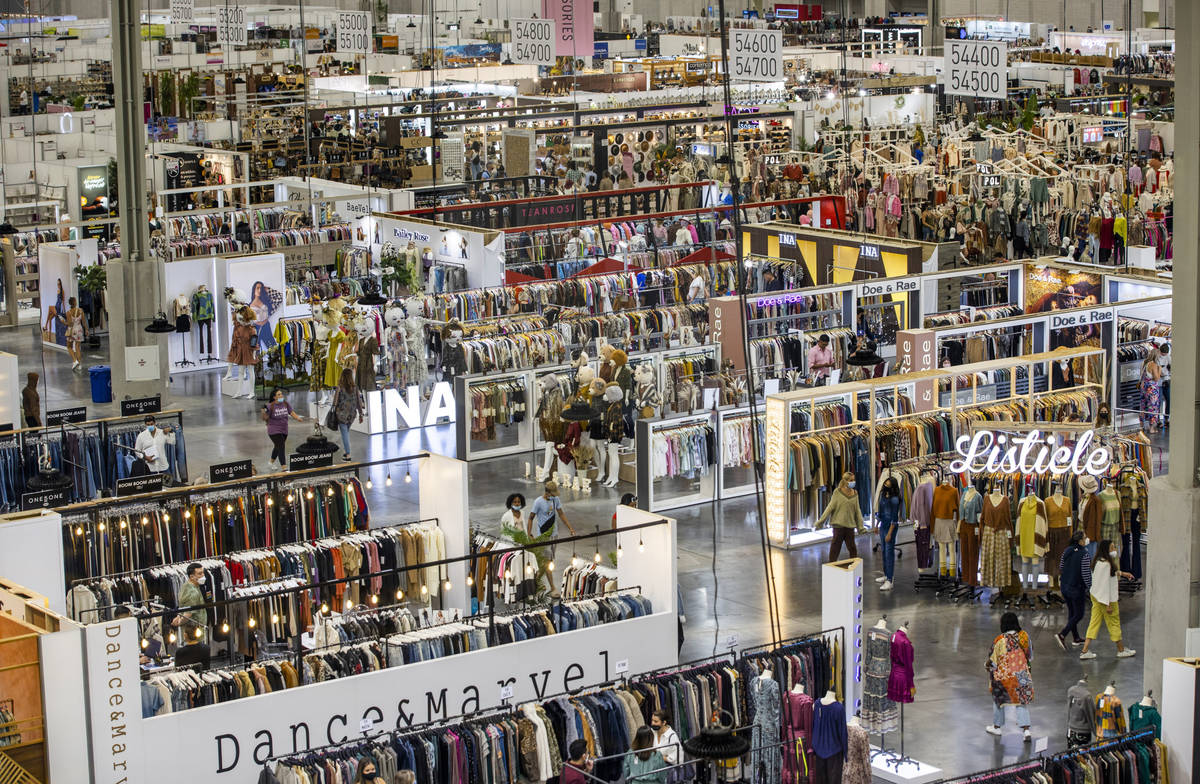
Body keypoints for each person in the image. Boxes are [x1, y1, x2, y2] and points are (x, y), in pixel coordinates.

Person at [1079, 539, 1136, 660]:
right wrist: (1108, 604)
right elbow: (1105, 585)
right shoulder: (1106, 564)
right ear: (1106, 549)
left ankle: (1085, 651)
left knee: (1094, 623)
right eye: (1112, 548)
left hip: (1096, 597)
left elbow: (1109, 574)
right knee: (1114, 623)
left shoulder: (1099, 562)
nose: (1115, 550)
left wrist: (1123, 573)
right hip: (1106, 599)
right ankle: (1121, 650)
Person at [985, 612, 1034, 742]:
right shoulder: (1024, 636)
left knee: (998, 700)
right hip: (1022, 674)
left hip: (1004, 677)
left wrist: (988, 667)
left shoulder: (999, 640)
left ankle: (997, 727)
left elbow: (993, 662)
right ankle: (1026, 730)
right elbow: (1030, 655)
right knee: (1021, 701)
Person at [815, 471, 865, 562]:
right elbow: (829, 507)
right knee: (835, 549)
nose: (853, 482)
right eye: (851, 480)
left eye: (854, 480)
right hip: (838, 527)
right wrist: (820, 522)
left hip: (850, 527)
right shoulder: (837, 492)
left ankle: (853, 569)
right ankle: (831, 568)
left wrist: (860, 527)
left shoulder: (855, 493)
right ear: (845, 481)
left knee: (853, 549)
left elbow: (857, 511)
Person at [1055, 530, 1092, 649]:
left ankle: (1076, 637)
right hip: (1077, 588)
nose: (1086, 539)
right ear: (1080, 541)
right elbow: (1086, 574)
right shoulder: (1084, 554)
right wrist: (1091, 588)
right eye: (1085, 538)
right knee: (1079, 614)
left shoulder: (1067, 550)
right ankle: (1062, 634)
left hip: (1065, 586)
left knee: (1072, 613)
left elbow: (1061, 566)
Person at [262, 387, 306, 471]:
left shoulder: (285, 403)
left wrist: (297, 418)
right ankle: (284, 468)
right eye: (279, 394)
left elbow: (291, 412)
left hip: (284, 429)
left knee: (278, 446)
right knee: (281, 446)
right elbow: (264, 416)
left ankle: (270, 463)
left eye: (281, 394)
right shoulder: (270, 406)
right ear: (274, 397)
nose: (281, 395)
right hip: (273, 430)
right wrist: (263, 411)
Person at [876, 476, 903, 591]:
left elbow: (894, 518)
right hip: (883, 525)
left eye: (888, 483)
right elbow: (880, 512)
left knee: (889, 552)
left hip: (890, 527)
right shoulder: (883, 495)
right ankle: (886, 575)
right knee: (883, 551)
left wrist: (889, 533)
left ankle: (890, 580)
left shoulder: (895, 499)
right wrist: (877, 525)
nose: (885, 484)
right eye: (885, 482)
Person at [331, 368, 364, 461]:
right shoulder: (355, 387)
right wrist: (361, 414)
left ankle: (348, 454)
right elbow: (359, 402)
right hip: (352, 415)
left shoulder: (340, 387)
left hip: (341, 414)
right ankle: (346, 452)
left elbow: (335, 402)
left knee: (345, 434)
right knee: (346, 433)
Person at [172, 562, 208, 644]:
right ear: (192, 576)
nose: (203, 575)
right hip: (194, 634)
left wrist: (178, 617)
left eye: (203, 572)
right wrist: (179, 622)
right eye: (199, 574)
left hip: (193, 632)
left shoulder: (187, 585)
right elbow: (188, 613)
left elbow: (183, 606)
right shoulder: (192, 592)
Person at [1138, 347, 1162, 433]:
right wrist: (1160, 369)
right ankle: (1152, 428)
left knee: (1143, 406)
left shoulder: (1144, 363)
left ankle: (1141, 426)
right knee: (1153, 407)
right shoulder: (1154, 365)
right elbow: (1156, 378)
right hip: (1152, 388)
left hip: (1143, 386)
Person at [60, 295, 87, 370]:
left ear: (70, 303)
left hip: (72, 330)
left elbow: (70, 324)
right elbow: (84, 322)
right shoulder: (81, 310)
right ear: (75, 302)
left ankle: (75, 361)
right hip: (79, 329)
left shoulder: (68, 312)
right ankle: (79, 365)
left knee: (69, 346)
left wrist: (63, 322)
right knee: (78, 347)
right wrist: (87, 330)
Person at [1157, 342, 1171, 427]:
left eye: (1165, 354)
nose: (1163, 355)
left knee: (1168, 399)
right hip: (1159, 382)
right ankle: (1158, 419)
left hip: (1167, 380)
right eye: (1162, 353)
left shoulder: (1169, 358)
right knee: (1158, 401)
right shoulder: (1157, 358)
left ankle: (1166, 418)